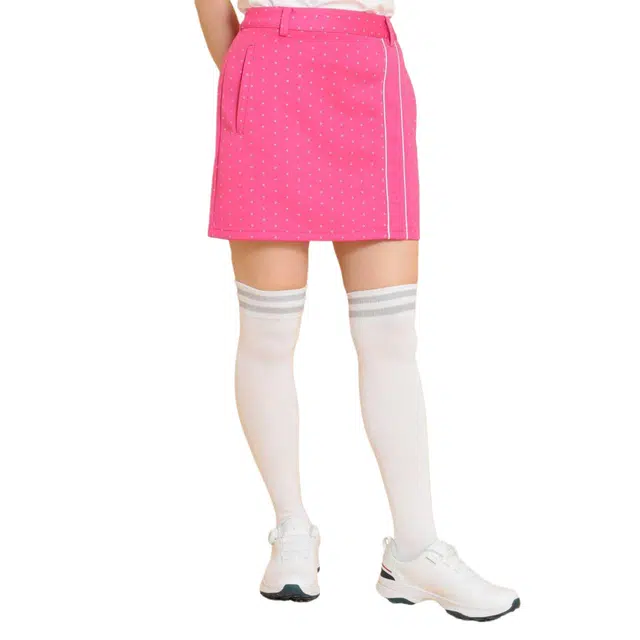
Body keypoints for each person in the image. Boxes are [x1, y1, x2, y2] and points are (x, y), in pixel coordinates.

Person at [195, 0, 520, 620]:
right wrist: (249, 71)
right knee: (269, 330)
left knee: (392, 333)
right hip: (268, 64)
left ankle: (416, 551)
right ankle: (292, 530)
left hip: (369, 69)